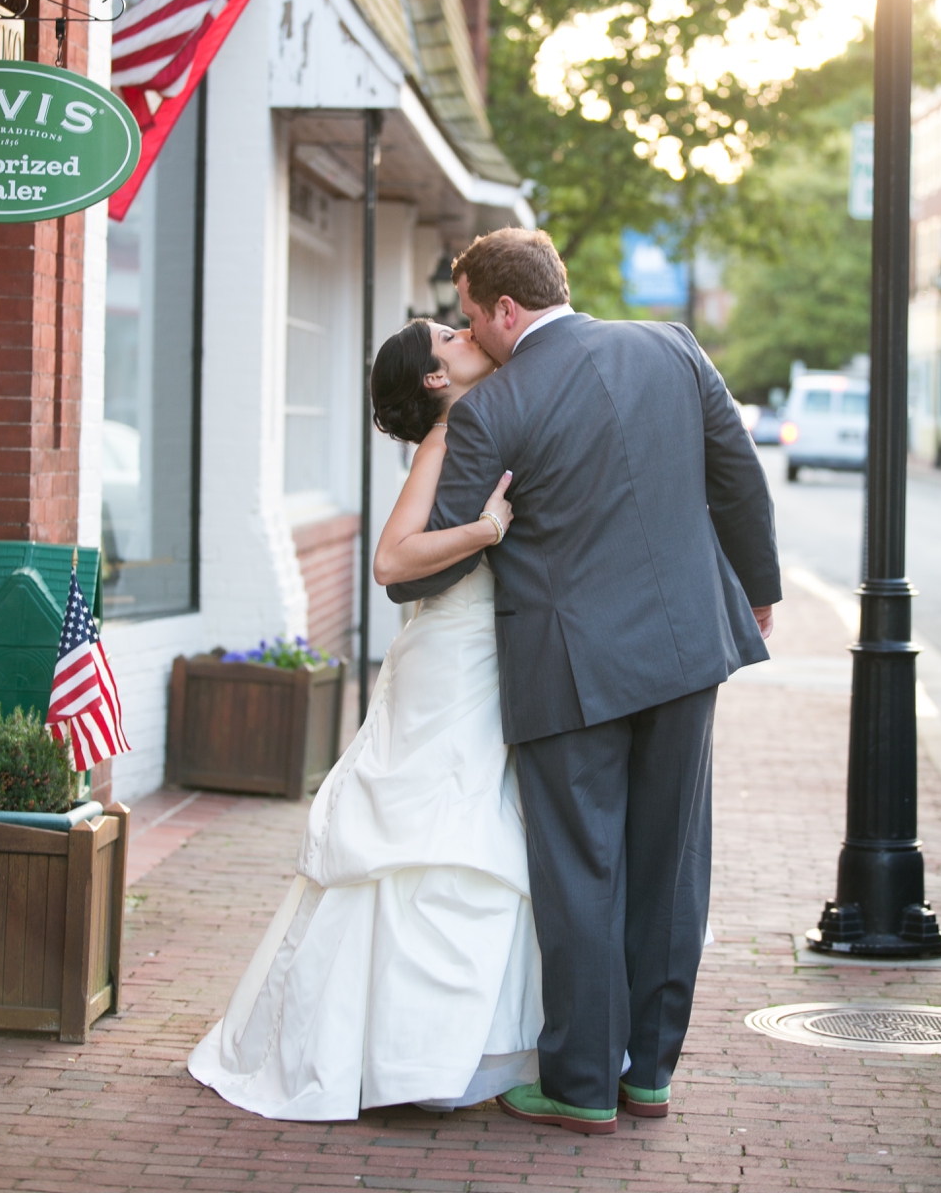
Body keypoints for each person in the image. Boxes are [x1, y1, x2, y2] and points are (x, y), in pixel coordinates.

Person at [385, 228, 780, 1136]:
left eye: (473, 317)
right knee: (671, 866)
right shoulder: (672, 346)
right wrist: (758, 593)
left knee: (582, 872)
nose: (470, 332)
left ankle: (582, 1082)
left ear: (507, 309)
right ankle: (651, 1075)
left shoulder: (491, 410)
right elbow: (738, 479)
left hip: (570, 670)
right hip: (686, 651)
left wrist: (485, 530)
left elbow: (421, 569)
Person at [188, 317, 546, 1120]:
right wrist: (488, 529)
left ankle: (446, 1046)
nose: (464, 332)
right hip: (452, 660)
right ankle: (396, 1051)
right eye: (448, 333)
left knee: (474, 829)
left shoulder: (490, 422)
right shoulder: (445, 442)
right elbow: (390, 559)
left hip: (485, 654)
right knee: (428, 827)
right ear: (433, 377)